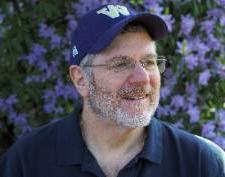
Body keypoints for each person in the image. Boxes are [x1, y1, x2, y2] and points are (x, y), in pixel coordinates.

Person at [0, 3, 224, 177]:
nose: (142, 78)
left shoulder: (199, 163)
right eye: (121, 64)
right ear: (80, 80)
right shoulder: (26, 162)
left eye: (149, 62)